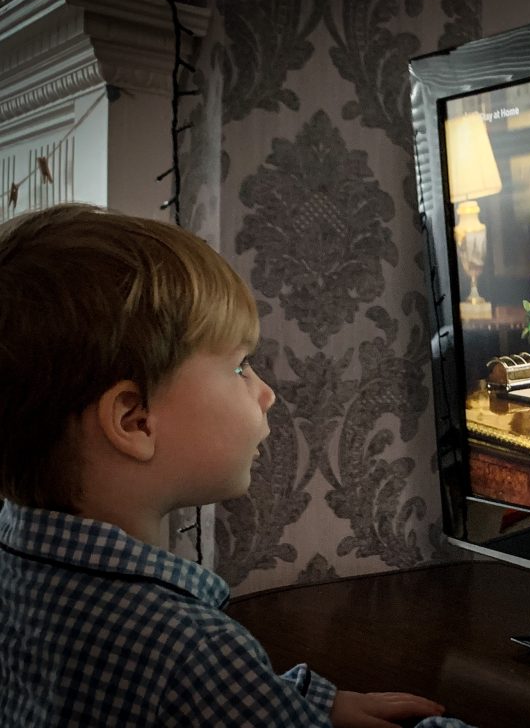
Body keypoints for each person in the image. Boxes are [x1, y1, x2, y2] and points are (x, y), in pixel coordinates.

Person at [0, 205, 464, 727]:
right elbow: (199, 688)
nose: (265, 393)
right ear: (135, 421)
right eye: (240, 367)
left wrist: (304, 704)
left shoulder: (19, 568)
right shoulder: (187, 649)